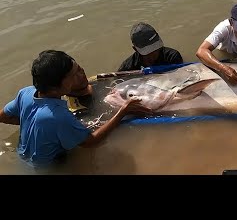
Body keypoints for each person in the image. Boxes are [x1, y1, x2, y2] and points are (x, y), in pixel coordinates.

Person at [0, 50, 151, 167]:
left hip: (22, 156)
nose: (79, 75)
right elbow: (90, 142)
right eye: (73, 75)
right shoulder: (58, 116)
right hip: (49, 166)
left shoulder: (25, 92)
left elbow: (3, 116)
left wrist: (37, 127)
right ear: (60, 84)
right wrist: (123, 111)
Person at [118, 22, 183, 72]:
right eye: (147, 52)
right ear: (135, 49)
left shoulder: (172, 57)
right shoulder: (128, 67)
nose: (152, 55)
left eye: (155, 49)